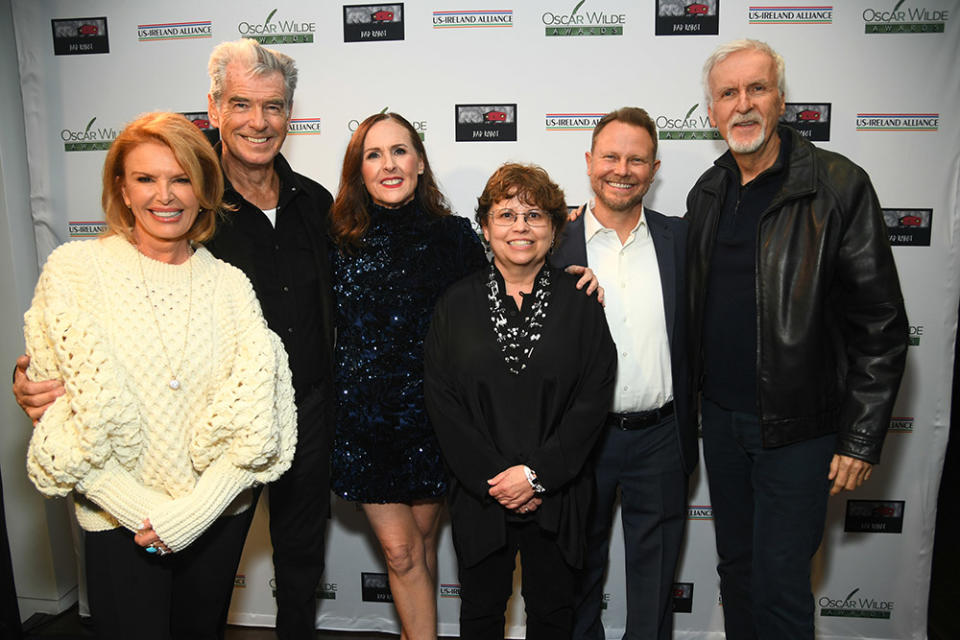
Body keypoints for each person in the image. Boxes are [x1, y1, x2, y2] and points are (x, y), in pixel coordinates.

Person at [13, 39, 337, 639]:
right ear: (213, 107)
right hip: (174, 462)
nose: (258, 122)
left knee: (297, 562)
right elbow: (80, 345)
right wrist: (28, 381)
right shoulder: (177, 202)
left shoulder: (317, 203)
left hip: (299, 419)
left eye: (273, 107)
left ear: (290, 114)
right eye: (241, 103)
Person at [685, 39, 908, 639]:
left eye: (756, 89)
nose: (743, 104)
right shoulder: (706, 193)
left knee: (783, 584)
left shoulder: (836, 186)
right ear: (711, 112)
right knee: (737, 572)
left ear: (781, 100)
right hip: (723, 425)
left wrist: (860, 439)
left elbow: (882, 326)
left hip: (800, 432)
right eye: (727, 93)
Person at [424, 163, 616, 639]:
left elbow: (592, 399)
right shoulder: (455, 303)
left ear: (554, 228)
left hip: (559, 494)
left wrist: (536, 476)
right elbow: (442, 399)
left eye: (534, 215)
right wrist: (499, 480)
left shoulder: (580, 302)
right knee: (481, 616)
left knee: (554, 617)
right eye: (506, 214)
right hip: (481, 495)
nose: (521, 227)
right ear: (485, 227)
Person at [552, 107, 695, 640]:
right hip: (581, 442)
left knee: (655, 581)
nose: (622, 169)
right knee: (577, 575)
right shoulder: (551, 244)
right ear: (589, 162)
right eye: (610, 156)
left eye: (636, 159)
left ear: (654, 169)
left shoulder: (681, 240)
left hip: (662, 437)